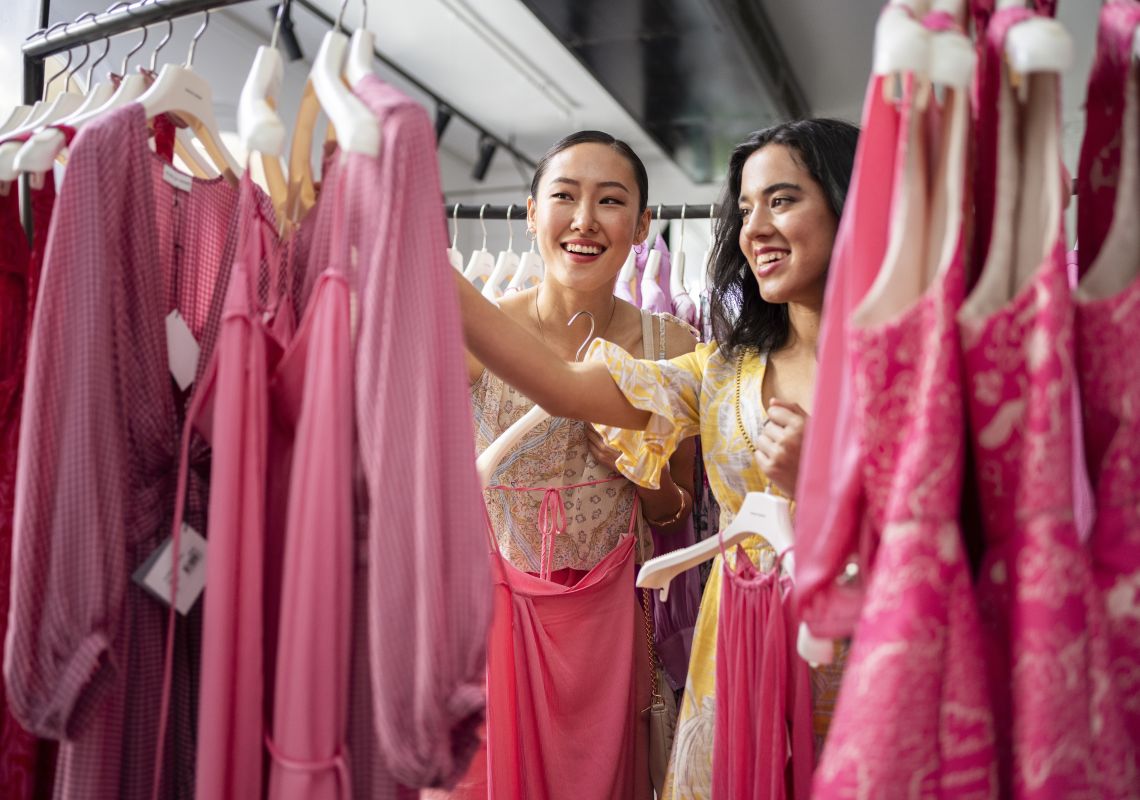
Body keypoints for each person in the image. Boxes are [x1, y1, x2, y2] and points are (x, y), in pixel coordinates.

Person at [454, 118, 859, 798]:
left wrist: (824, 483)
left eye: (782, 200)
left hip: (859, 655)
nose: (755, 227)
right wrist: (429, 263)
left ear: (849, 204)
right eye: (747, 207)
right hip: (739, 652)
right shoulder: (721, 369)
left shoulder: (914, 367)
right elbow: (566, 385)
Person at [446, 131, 699, 799]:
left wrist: (651, 477)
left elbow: (679, 514)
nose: (584, 220)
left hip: (608, 627)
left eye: (611, 201)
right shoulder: (477, 335)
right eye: (564, 196)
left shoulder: (672, 345)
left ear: (643, 225)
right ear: (531, 213)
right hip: (496, 618)